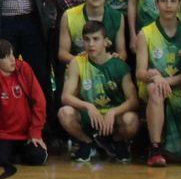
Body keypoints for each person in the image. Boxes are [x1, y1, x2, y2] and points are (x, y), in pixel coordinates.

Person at [58, 20, 139, 162]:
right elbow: (65, 97)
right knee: (64, 113)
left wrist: (113, 112)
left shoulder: (119, 65)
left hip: (113, 119)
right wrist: (88, 106)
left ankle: (116, 141)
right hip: (89, 116)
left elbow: (133, 101)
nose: (91, 44)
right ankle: (88, 143)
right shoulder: (76, 62)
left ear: (106, 42)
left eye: (96, 39)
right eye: (87, 39)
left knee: (131, 120)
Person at [134, 0, 181, 166]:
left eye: (173, 1)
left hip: (180, 85)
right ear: (156, 4)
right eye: (164, 1)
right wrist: (156, 78)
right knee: (155, 90)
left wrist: (166, 80)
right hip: (154, 87)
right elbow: (140, 72)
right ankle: (155, 148)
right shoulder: (145, 33)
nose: (168, 5)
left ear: (179, 4)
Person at [0, 39, 48, 167]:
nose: (12, 59)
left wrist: (35, 132)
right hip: (2, 135)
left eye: (12, 54)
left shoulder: (24, 69)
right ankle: (14, 156)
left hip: (26, 134)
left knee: (38, 157)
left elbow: (40, 101)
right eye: (6, 56)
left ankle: (17, 155)